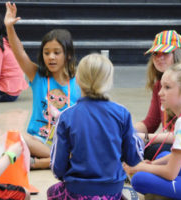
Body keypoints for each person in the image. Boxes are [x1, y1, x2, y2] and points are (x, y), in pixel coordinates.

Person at [47, 53, 144, 199]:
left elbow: (57, 168)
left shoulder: (66, 116)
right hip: (112, 190)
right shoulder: (122, 113)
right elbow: (134, 158)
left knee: (51, 192)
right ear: (108, 81)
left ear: (78, 80)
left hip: (77, 190)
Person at [4, 2, 81, 169]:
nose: (51, 57)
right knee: (18, 137)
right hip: (37, 140)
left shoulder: (79, 83)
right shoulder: (38, 76)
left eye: (56, 52)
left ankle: (39, 163)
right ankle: (60, 158)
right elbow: (20, 53)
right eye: (46, 53)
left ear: (68, 55)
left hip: (66, 142)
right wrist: (10, 28)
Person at [124, 52, 181, 200]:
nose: (160, 93)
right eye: (161, 87)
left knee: (139, 179)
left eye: (167, 88)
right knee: (161, 156)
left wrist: (139, 167)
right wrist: (153, 163)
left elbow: (170, 173)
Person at [134, 30, 181, 160]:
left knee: (151, 149)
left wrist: (146, 138)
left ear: (178, 55)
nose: (159, 58)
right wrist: (125, 130)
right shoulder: (158, 85)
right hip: (172, 142)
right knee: (125, 143)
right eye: (155, 53)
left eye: (165, 53)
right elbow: (150, 123)